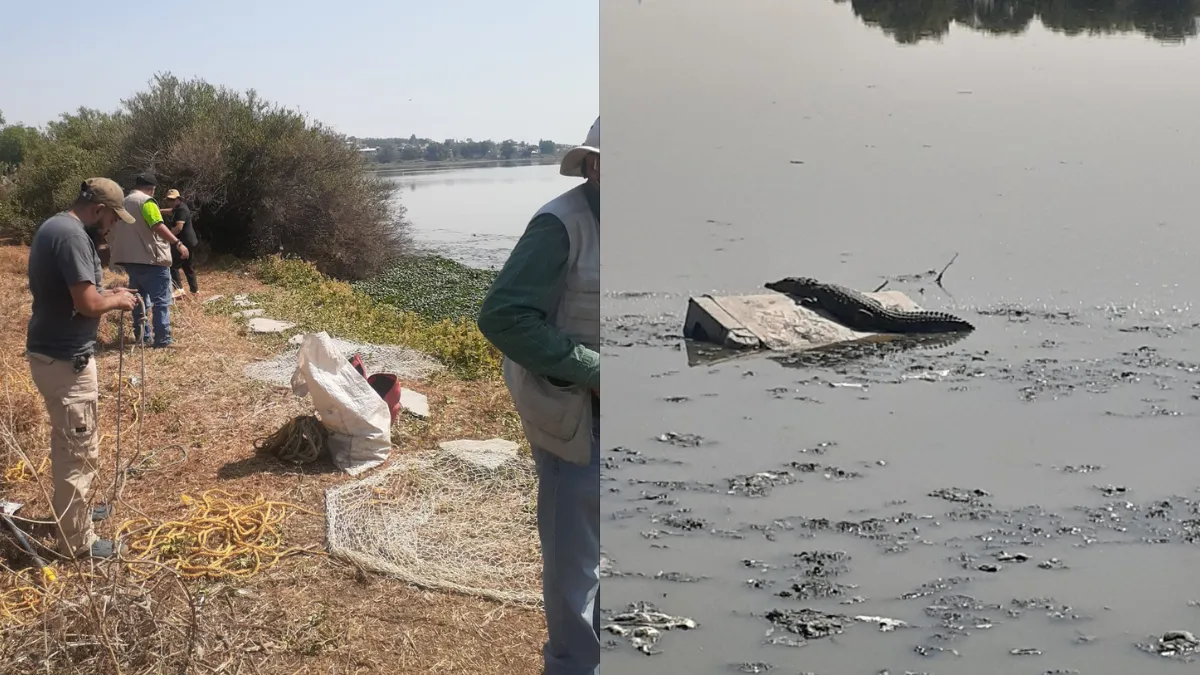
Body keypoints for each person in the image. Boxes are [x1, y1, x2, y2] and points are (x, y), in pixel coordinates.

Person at [477, 116, 600, 675]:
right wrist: (596, 370)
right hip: (574, 414)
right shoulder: (560, 225)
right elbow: (504, 317)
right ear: (594, 166)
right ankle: (573, 666)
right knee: (574, 560)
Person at [26, 178, 139, 559]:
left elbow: (76, 295)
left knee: (77, 444)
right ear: (98, 210)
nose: (112, 227)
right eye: (112, 219)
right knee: (77, 450)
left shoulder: (57, 226)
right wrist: (116, 302)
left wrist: (111, 293)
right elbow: (88, 303)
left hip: (53, 354)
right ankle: (77, 542)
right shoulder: (73, 236)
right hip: (65, 361)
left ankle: (79, 514)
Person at [107, 173, 189, 347]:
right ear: (152, 189)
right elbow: (157, 226)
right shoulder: (146, 202)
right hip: (151, 259)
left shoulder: (122, 203)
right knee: (161, 301)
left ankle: (142, 336)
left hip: (130, 260)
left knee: (139, 299)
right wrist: (177, 243)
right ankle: (163, 339)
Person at [162, 188, 199, 294]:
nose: (170, 202)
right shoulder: (179, 207)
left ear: (178, 199)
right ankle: (194, 290)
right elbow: (170, 211)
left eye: (172, 200)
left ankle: (179, 289)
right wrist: (159, 210)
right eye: (168, 200)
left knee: (172, 265)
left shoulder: (181, 210)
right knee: (188, 266)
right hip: (190, 241)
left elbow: (178, 228)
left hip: (184, 242)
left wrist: (168, 236)